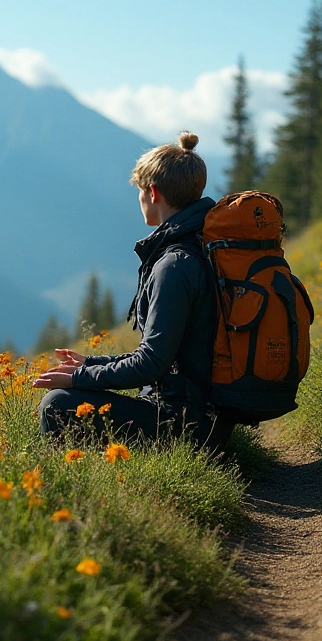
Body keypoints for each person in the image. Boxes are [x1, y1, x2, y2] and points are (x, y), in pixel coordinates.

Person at [32, 131, 233, 452]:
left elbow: (151, 364)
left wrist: (77, 379)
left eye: (139, 191)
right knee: (66, 398)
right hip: (205, 418)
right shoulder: (199, 249)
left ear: (152, 193)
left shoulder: (174, 265)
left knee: (57, 403)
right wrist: (90, 364)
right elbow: (165, 357)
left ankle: (66, 488)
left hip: (186, 425)